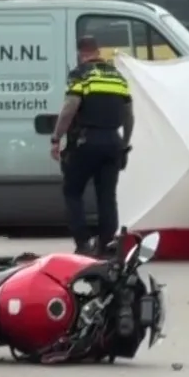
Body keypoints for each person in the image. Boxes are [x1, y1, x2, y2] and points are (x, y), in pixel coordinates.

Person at [51, 35, 134, 256]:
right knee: (107, 195)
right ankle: (106, 245)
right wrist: (124, 144)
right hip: (113, 143)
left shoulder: (81, 74)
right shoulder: (118, 77)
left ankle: (83, 243)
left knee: (73, 191)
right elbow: (129, 116)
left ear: (81, 53)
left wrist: (56, 137)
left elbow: (70, 107)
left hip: (86, 142)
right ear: (98, 51)